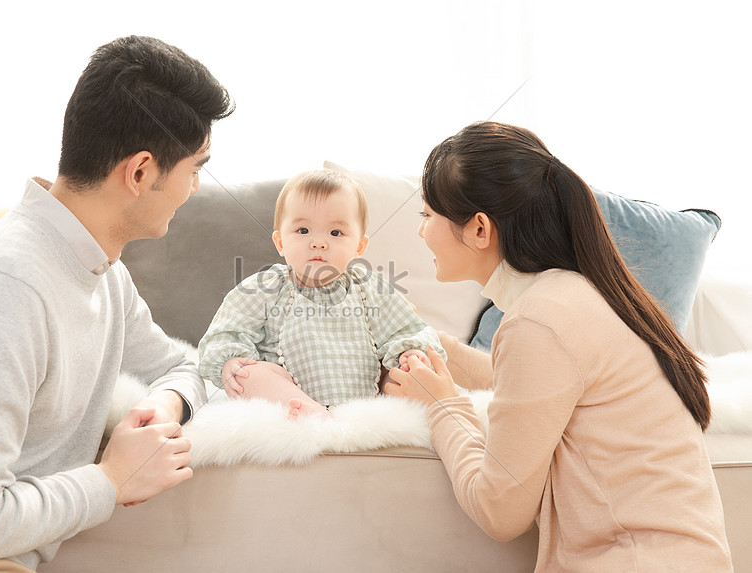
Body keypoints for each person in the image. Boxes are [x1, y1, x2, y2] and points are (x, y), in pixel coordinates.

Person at [0, 36, 233, 571]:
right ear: (140, 172)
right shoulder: (4, 286)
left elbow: (182, 363)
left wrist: (165, 405)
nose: (194, 188)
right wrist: (111, 479)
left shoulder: (97, 270)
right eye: (195, 168)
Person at [384, 121, 733, 571]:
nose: (421, 232)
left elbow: (499, 510)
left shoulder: (538, 320)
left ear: (479, 229)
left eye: (426, 216)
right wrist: (434, 345)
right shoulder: (579, 296)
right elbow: (540, 391)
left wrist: (441, 405)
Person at [198, 169, 445, 418]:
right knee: (248, 373)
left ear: (360, 245)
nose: (318, 243)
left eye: (335, 233)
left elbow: (406, 329)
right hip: (287, 395)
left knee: (403, 375)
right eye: (303, 231)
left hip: (364, 399)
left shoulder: (370, 288)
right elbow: (226, 332)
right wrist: (231, 361)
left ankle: (360, 412)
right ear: (280, 242)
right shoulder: (265, 287)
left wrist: (410, 353)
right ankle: (310, 411)